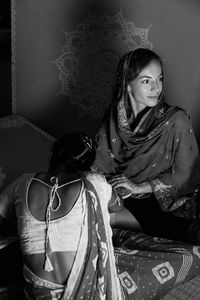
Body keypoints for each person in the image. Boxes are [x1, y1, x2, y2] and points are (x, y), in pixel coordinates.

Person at [93, 47, 200, 243]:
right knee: (86, 210)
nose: (156, 88)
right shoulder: (113, 117)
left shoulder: (176, 120)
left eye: (160, 79)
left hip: (161, 204)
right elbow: (100, 166)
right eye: (146, 81)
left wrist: (138, 187)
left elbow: (188, 176)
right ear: (127, 85)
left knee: (105, 219)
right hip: (120, 197)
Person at [0, 132, 123, 299]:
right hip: (82, 284)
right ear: (88, 165)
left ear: (52, 154)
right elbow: (117, 207)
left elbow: (2, 217)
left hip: (38, 289)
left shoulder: (23, 182)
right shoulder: (95, 183)